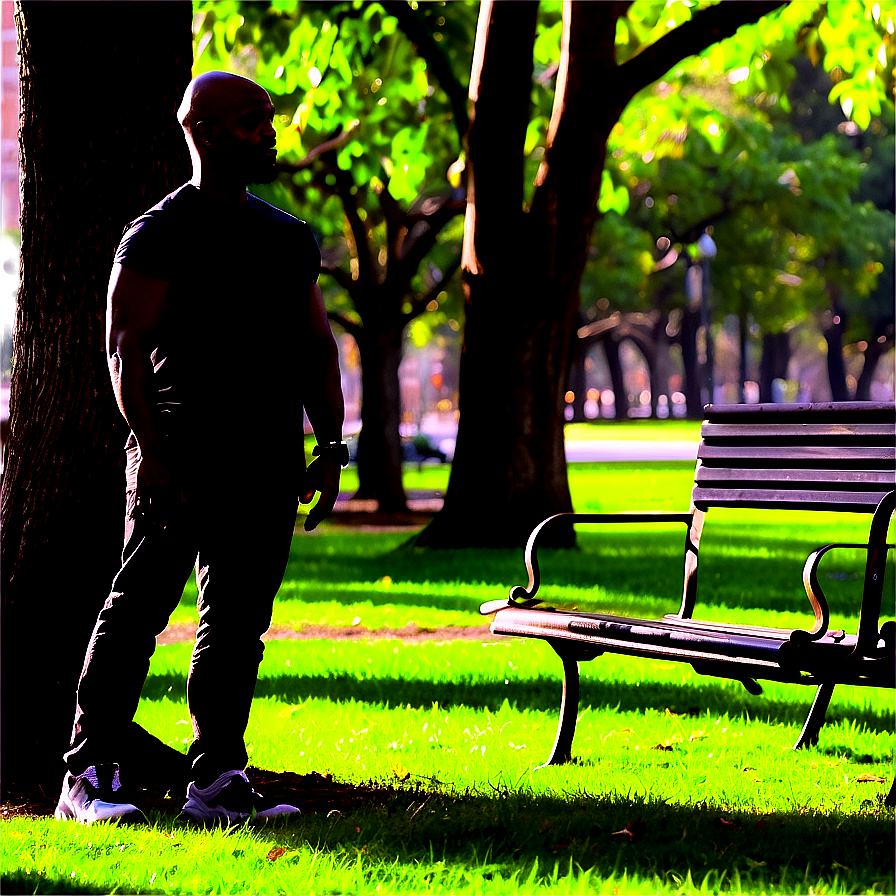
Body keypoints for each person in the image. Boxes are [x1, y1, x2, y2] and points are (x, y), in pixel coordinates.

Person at [55, 72, 347, 826]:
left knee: (238, 624)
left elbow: (316, 348)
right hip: (179, 455)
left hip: (267, 460)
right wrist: (150, 451)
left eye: (271, 118)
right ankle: (87, 772)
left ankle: (216, 777)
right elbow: (124, 348)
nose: (271, 133)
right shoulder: (157, 234)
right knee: (137, 611)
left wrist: (332, 444)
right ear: (206, 132)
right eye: (254, 121)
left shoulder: (287, 237)